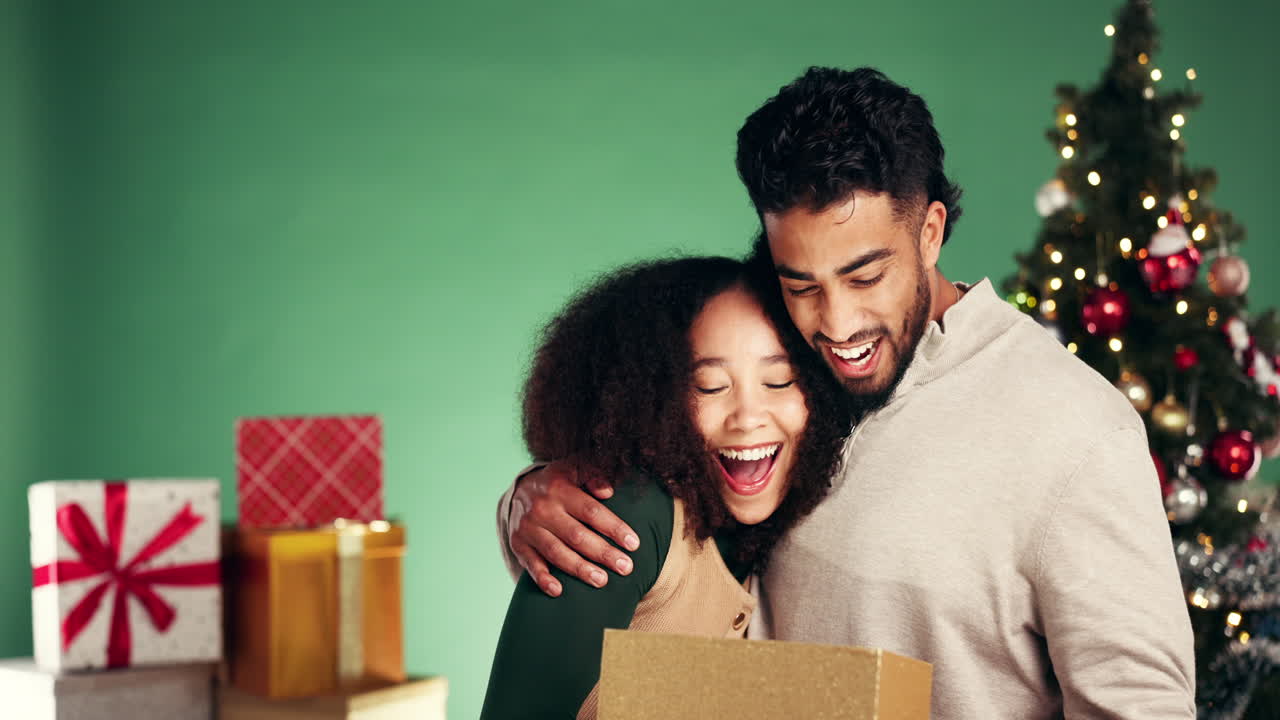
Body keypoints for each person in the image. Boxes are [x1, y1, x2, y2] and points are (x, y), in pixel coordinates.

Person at [495, 68, 1197, 718]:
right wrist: (543, 493)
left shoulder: (1077, 434)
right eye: (802, 283)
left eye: (865, 278)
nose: (834, 325)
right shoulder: (787, 370)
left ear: (930, 232)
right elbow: (679, 528)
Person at [480, 256, 851, 719]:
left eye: (779, 380)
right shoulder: (630, 515)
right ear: (650, 398)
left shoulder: (767, 537)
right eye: (710, 386)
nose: (748, 416)